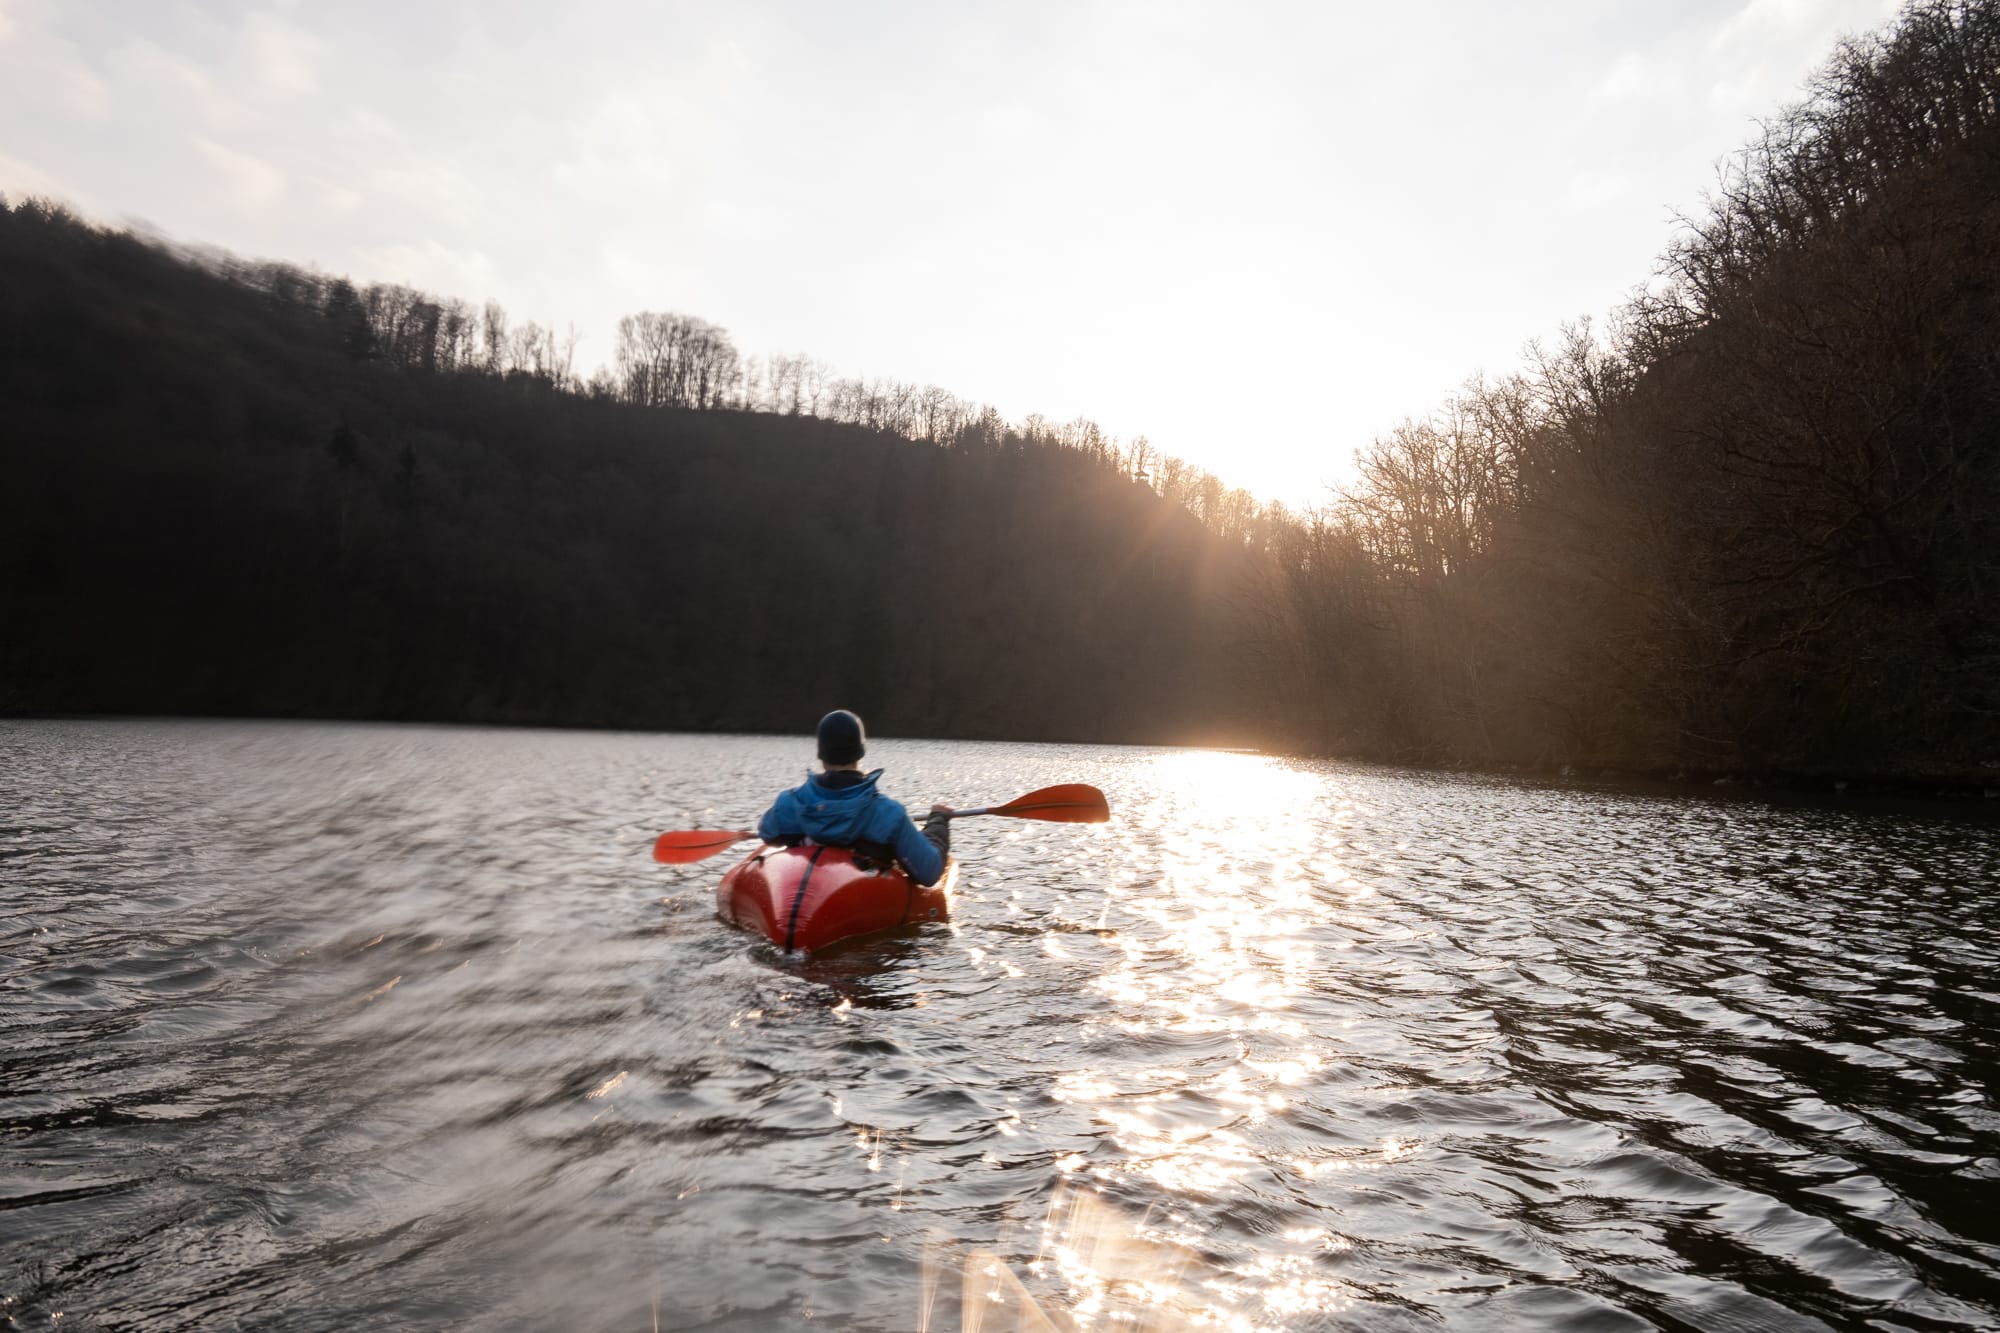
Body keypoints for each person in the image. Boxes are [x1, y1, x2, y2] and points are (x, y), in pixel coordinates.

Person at [757, 710, 954, 886]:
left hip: (811, 890)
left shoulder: (790, 802)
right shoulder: (889, 814)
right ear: (860, 752)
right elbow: (929, 872)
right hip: (854, 899)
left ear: (821, 752)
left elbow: (768, 833)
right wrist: (938, 821)